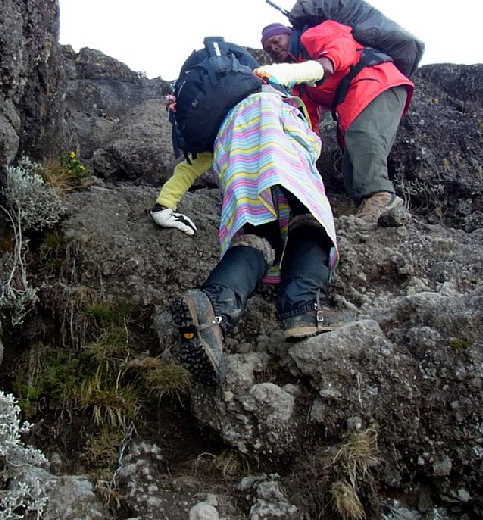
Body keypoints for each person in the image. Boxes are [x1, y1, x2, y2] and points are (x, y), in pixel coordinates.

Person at [151, 79, 354, 385]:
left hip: (236, 157)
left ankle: (213, 313)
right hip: (277, 139)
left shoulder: (218, 119)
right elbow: (320, 68)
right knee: (309, 218)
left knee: (261, 235)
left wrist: (163, 206)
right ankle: (304, 307)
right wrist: (323, 69)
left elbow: (188, 168)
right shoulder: (267, 84)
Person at [257, 20, 413, 223]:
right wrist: (306, 152)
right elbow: (307, 116)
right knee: (350, 165)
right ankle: (372, 212)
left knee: (363, 137)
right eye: (269, 48)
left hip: (377, 81)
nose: (274, 48)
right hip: (353, 98)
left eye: (276, 41)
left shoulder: (312, 35)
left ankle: (382, 197)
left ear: (289, 35)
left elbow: (342, 45)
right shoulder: (299, 82)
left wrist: (326, 63)